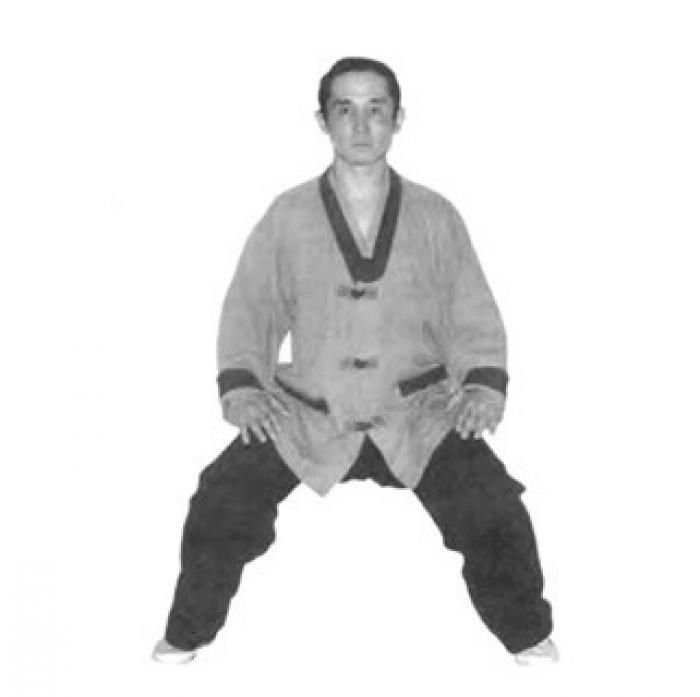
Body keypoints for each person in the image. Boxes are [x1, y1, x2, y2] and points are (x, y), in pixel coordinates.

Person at [152, 57, 558, 667]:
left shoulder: (435, 215)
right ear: (323, 120)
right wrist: (244, 388)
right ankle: (187, 632)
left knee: (493, 505)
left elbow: (470, 309)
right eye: (345, 109)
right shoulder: (288, 215)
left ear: (399, 119)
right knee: (221, 500)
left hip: (417, 413)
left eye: (376, 109)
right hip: (310, 413)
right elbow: (251, 307)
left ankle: (526, 632)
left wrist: (480, 385)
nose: (362, 125)